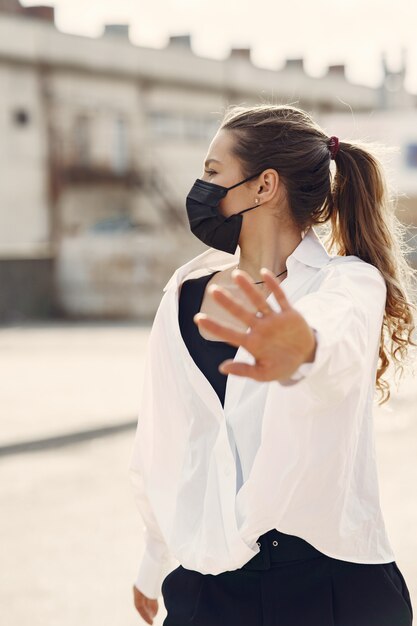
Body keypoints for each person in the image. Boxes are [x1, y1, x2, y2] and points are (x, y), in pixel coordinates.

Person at [129, 103, 416, 625]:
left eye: (213, 172)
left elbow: (338, 336)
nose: (201, 186)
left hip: (329, 583)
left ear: (264, 186)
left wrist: (302, 348)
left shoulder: (345, 283)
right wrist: (155, 558)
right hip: (209, 583)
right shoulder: (182, 295)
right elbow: (165, 438)